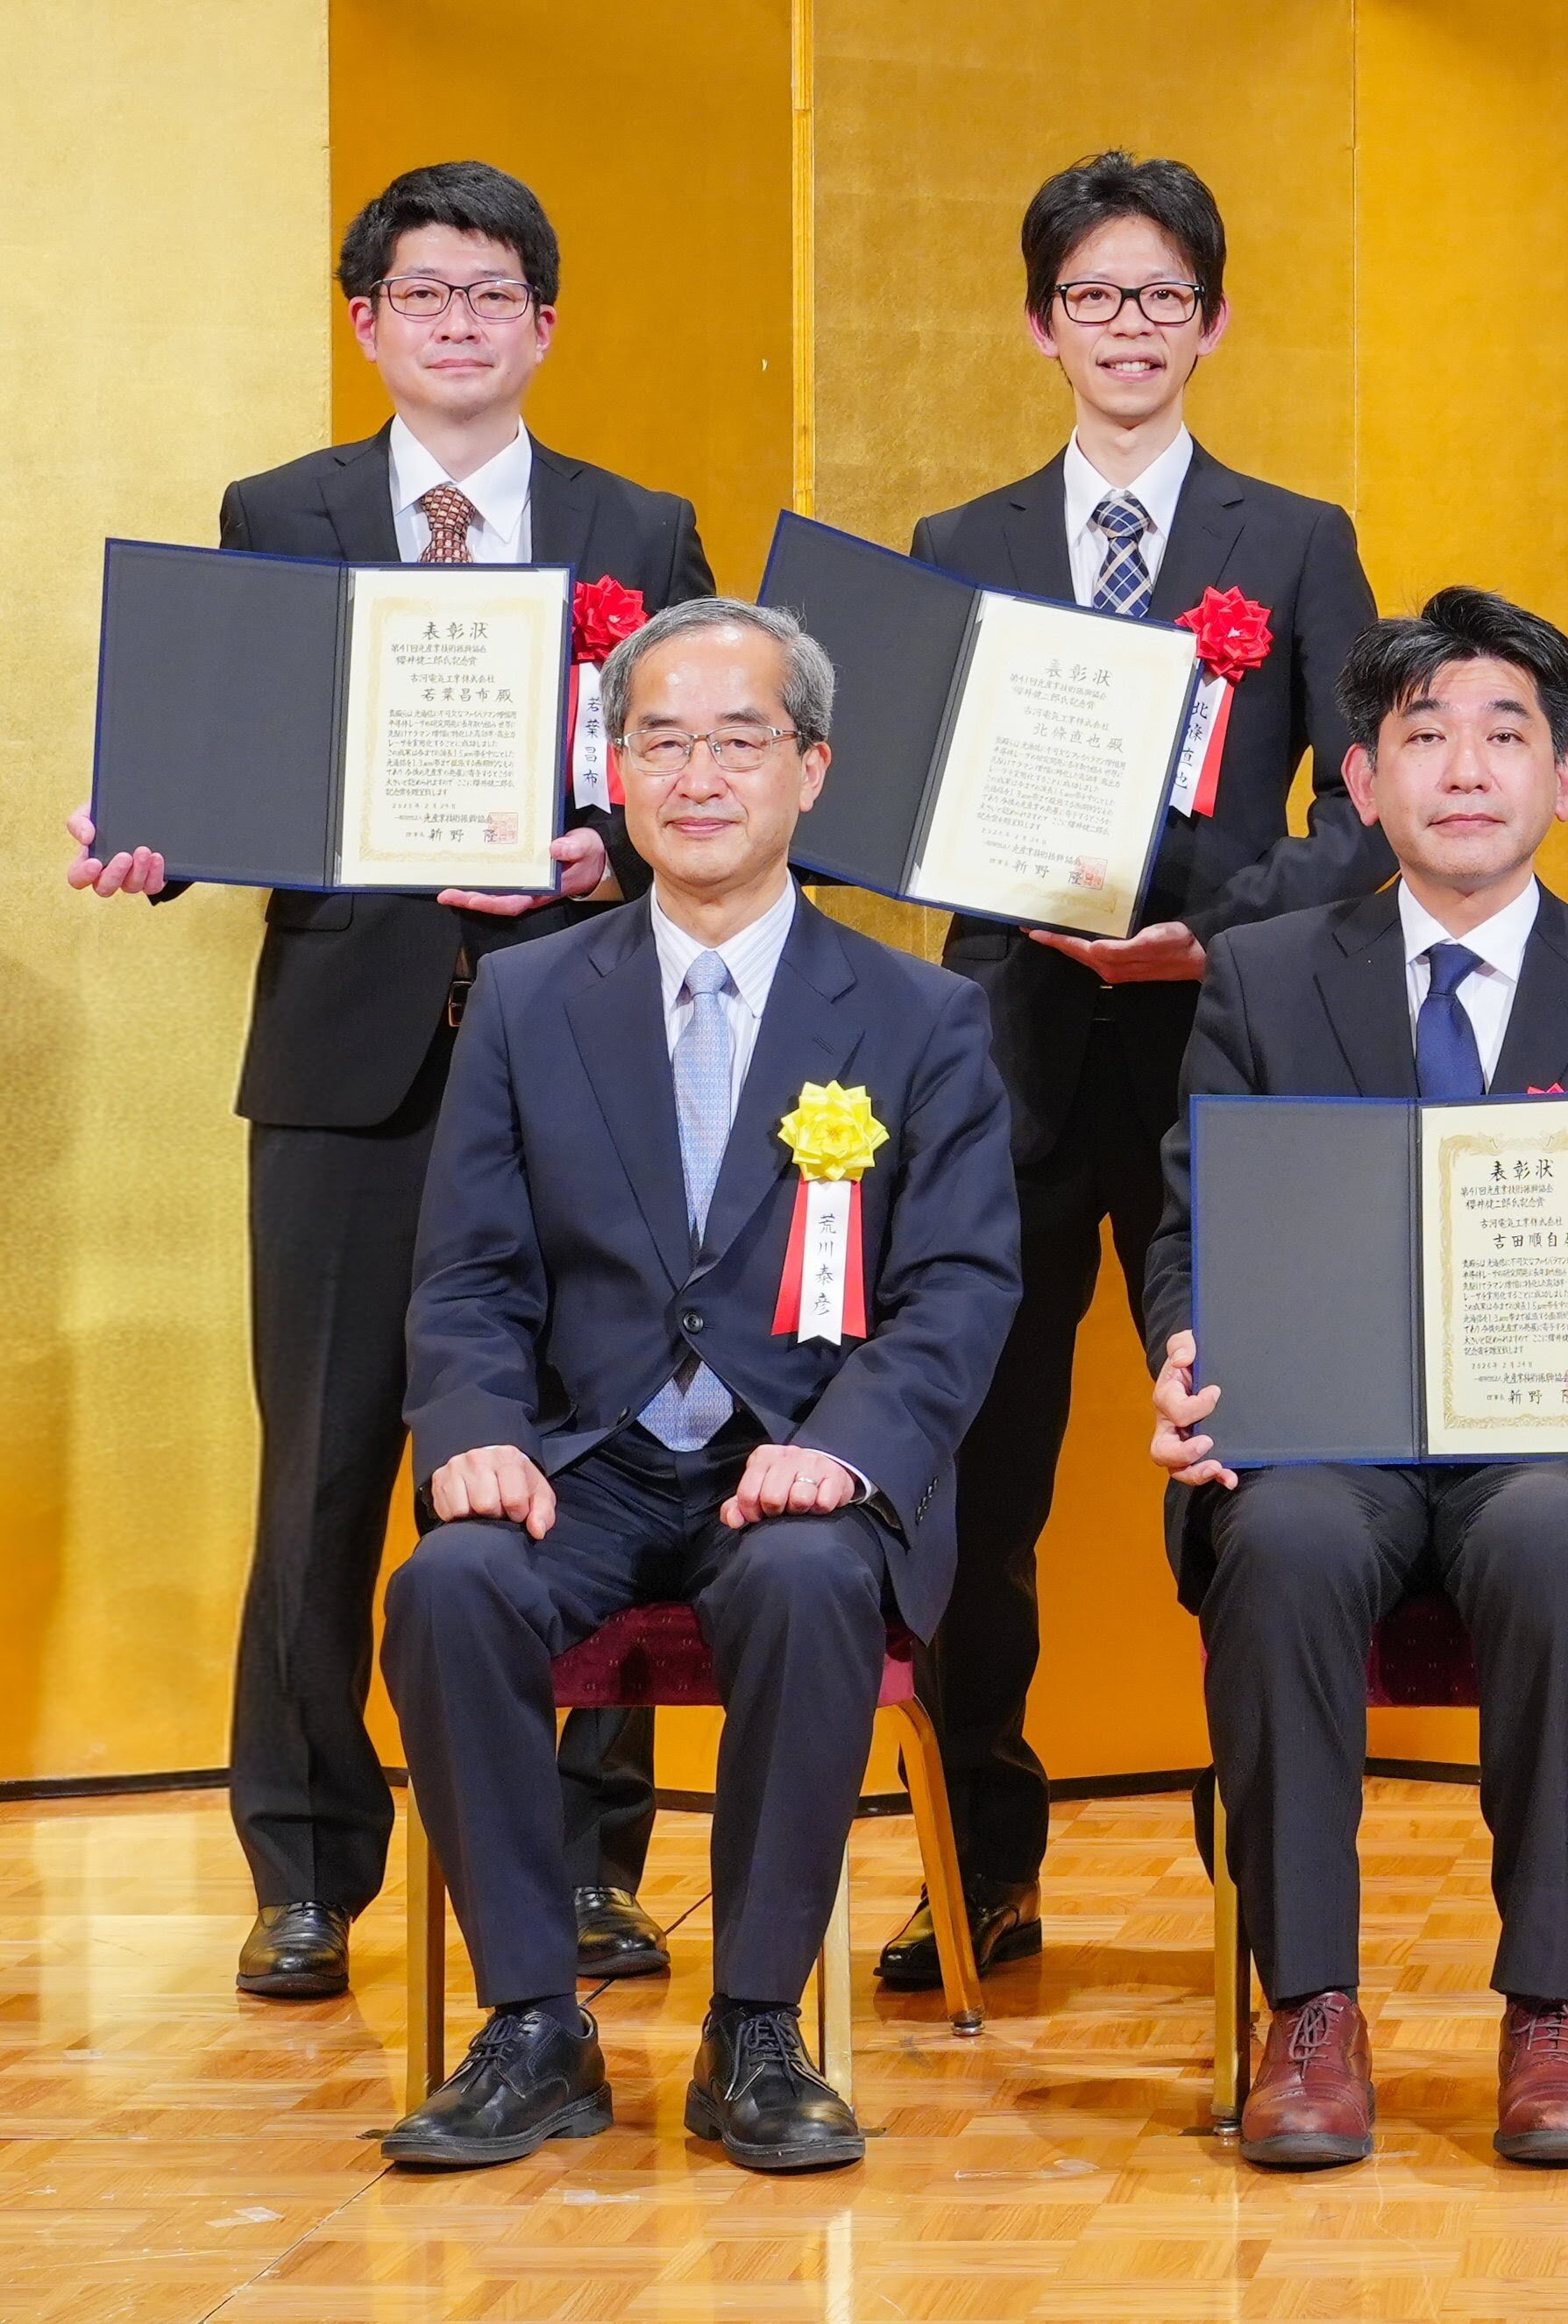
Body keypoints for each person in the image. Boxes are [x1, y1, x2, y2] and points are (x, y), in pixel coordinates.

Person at [65, 160, 708, 2002]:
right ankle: (308, 1867)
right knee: (327, 1473)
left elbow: (699, 763)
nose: (455, 322)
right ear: (366, 322)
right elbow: (241, 750)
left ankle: (586, 1865)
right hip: (347, 1064)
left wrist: (603, 859)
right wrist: (161, 836)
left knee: (590, 1456)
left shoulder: (633, 525)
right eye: (418, 293)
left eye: (490, 293)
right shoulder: (286, 510)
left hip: (585, 1049)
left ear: (543, 325)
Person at [1142, 588, 1568, 2168]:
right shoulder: (1263, 975)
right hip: (1328, 1440)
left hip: (1554, 1450)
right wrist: (1186, 1357)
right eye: (1421, 735)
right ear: (1362, 781)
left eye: (1506, 733)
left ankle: (1551, 2007)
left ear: (1565, 778)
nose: (1465, 768)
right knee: (1289, 1541)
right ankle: (1306, 2007)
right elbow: (1198, 1236)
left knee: (1548, 1537)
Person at [374, 599, 1021, 2171]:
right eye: (659, 739)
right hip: (587, 1459)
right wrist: (472, 1435)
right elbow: (466, 1272)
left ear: (810, 769)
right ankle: (536, 2024)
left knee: (806, 1580)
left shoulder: (922, 1015)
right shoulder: (529, 1001)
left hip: (796, 1463)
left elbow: (957, 1283)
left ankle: (755, 2027)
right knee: (446, 1588)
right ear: (614, 768)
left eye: (741, 739)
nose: (699, 774)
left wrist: (850, 1451)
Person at [884, 151, 1388, 1996]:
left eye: (1163, 298)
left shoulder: (1296, 537)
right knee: (976, 1488)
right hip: (1001, 1065)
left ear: (1215, 322)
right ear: (1041, 324)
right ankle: (981, 1871)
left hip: (1224, 1055)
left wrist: (1223, 929)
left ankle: (1263, 1861)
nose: (1129, 330)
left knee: (1242, 1475)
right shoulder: (959, 548)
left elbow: (1365, 810)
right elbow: (897, 802)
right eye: (1094, 298)